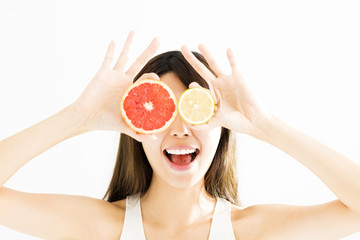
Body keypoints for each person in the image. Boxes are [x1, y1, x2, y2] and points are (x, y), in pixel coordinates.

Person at [0, 31, 359, 240]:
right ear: (137, 127)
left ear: (222, 124)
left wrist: (264, 124)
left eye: (194, 108)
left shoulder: (247, 231)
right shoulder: (104, 228)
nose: (180, 128)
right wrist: (77, 118)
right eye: (162, 111)